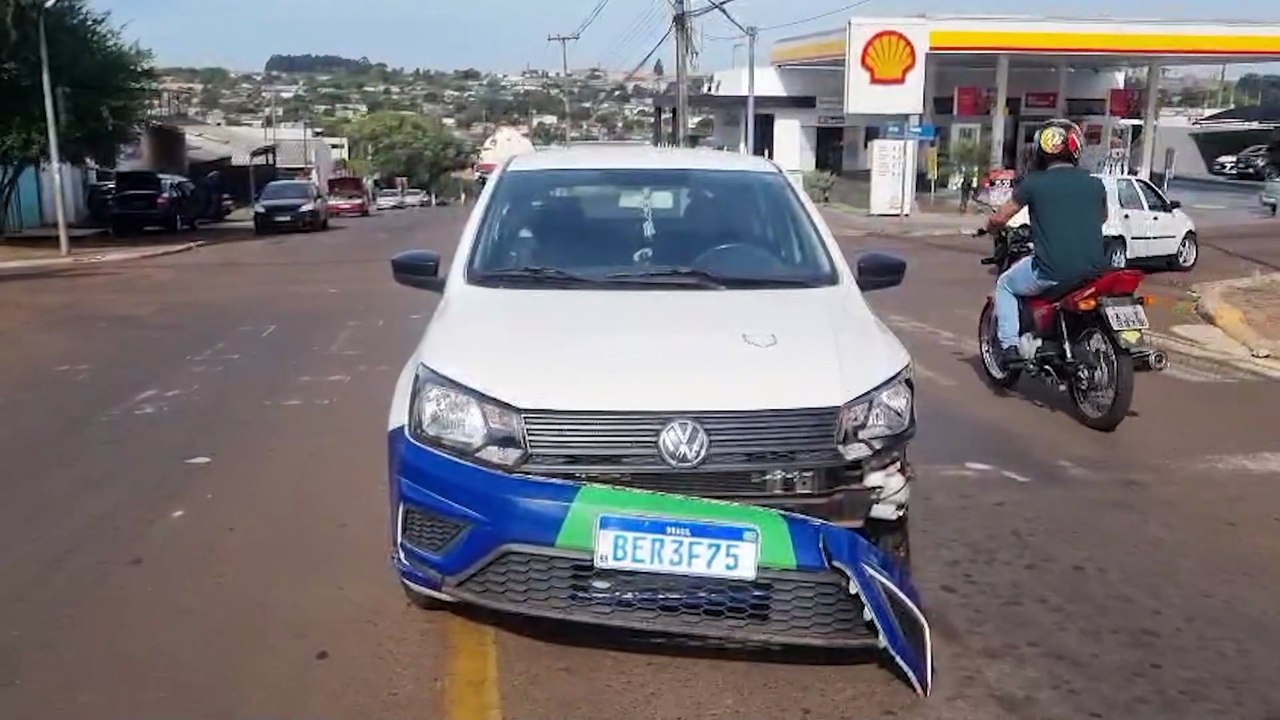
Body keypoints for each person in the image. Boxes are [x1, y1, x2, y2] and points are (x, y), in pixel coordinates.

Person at [985, 119, 1108, 367]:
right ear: (1075, 149)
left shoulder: (1033, 183)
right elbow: (1103, 217)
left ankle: (1009, 346)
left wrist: (991, 226)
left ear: (1041, 152)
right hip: (1095, 270)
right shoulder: (1095, 184)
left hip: (1052, 271)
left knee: (1005, 285)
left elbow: (1001, 216)